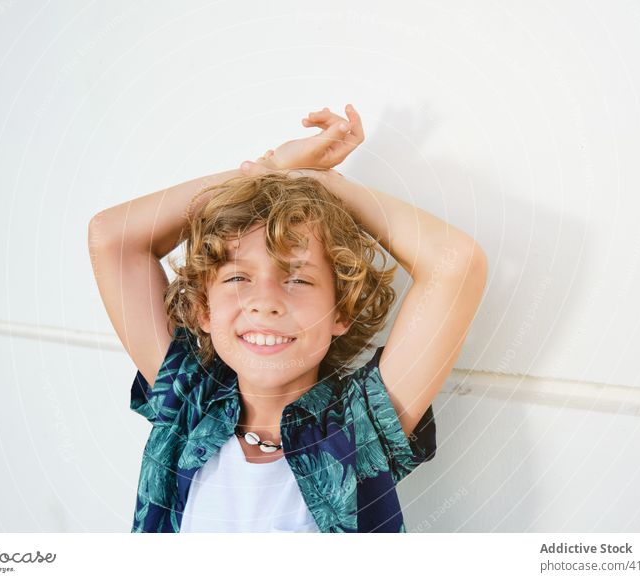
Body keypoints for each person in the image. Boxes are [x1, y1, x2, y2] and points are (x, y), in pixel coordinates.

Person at [88, 104, 488, 533]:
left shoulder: (358, 427)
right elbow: (112, 238)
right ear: (204, 310)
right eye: (239, 277)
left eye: (297, 280)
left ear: (343, 310)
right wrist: (269, 170)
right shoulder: (188, 403)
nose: (265, 302)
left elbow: (456, 265)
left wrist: (329, 187)